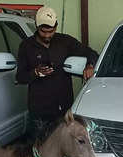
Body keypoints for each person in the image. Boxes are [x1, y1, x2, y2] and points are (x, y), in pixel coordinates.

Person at [16, 6, 99, 140]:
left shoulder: (65, 42)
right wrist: (35, 73)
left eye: (51, 31)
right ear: (37, 27)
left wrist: (89, 65)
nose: (48, 35)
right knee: (39, 150)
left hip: (63, 110)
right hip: (39, 112)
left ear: (56, 26)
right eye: (44, 32)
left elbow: (92, 53)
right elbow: (20, 77)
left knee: (63, 150)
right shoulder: (26, 46)